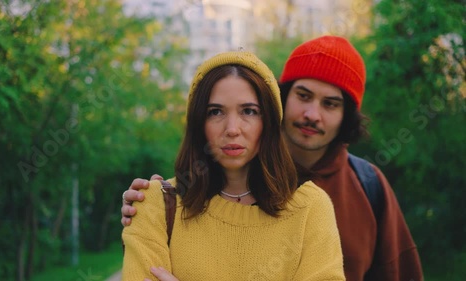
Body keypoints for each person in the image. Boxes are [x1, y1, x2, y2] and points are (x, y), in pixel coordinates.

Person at [122, 36, 424, 281]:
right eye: (304, 96)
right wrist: (151, 208)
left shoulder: (351, 191)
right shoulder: (161, 204)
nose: (311, 114)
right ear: (281, 100)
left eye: (248, 111)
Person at [121, 50, 345, 280]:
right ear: (199, 122)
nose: (232, 128)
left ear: (268, 121)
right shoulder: (156, 205)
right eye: (215, 112)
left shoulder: (311, 208)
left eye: (248, 111)